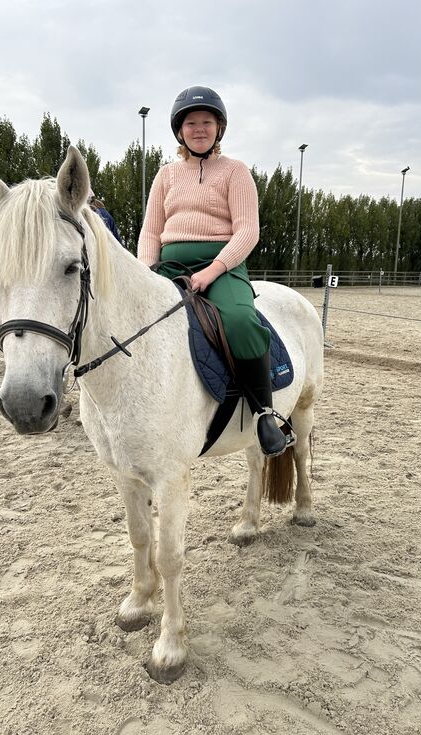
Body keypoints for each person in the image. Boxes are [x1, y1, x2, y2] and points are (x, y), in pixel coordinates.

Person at [137, 85, 294, 457]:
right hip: (168, 265)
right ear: (180, 131)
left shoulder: (235, 172)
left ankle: (264, 413)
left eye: (206, 122)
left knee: (240, 321)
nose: (199, 129)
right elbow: (150, 231)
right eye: (191, 123)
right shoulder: (166, 176)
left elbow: (247, 231)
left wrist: (213, 270)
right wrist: (145, 272)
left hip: (223, 266)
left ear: (219, 128)